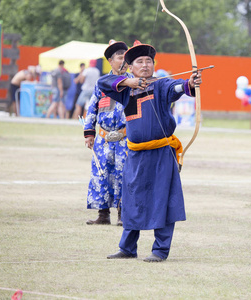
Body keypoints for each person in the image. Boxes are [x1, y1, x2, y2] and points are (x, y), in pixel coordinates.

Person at [98, 40, 202, 262]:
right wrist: (130, 82)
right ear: (131, 67)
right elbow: (103, 82)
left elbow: (178, 87)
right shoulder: (126, 91)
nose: (145, 65)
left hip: (161, 153)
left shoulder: (161, 85)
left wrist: (191, 83)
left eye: (148, 61)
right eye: (139, 61)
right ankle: (127, 248)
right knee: (132, 199)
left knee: (162, 199)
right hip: (135, 154)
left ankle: (160, 250)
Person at [83, 40, 132, 226]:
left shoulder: (133, 82)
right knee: (101, 174)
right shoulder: (102, 83)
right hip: (103, 138)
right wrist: (89, 132)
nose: (123, 62)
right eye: (119, 58)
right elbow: (92, 108)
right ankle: (103, 215)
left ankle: (123, 215)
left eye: (125, 58)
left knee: (123, 175)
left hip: (125, 137)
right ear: (110, 61)